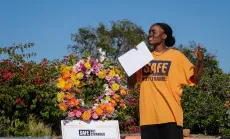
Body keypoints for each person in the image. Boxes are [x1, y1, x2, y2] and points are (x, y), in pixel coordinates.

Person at [128, 23, 203, 139]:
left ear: (164, 36)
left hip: (170, 116)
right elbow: (131, 83)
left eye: (154, 32)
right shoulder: (143, 57)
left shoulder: (176, 56)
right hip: (148, 118)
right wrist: (133, 61)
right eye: (149, 32)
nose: (150, 35)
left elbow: (195, 79)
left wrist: (200, 62)